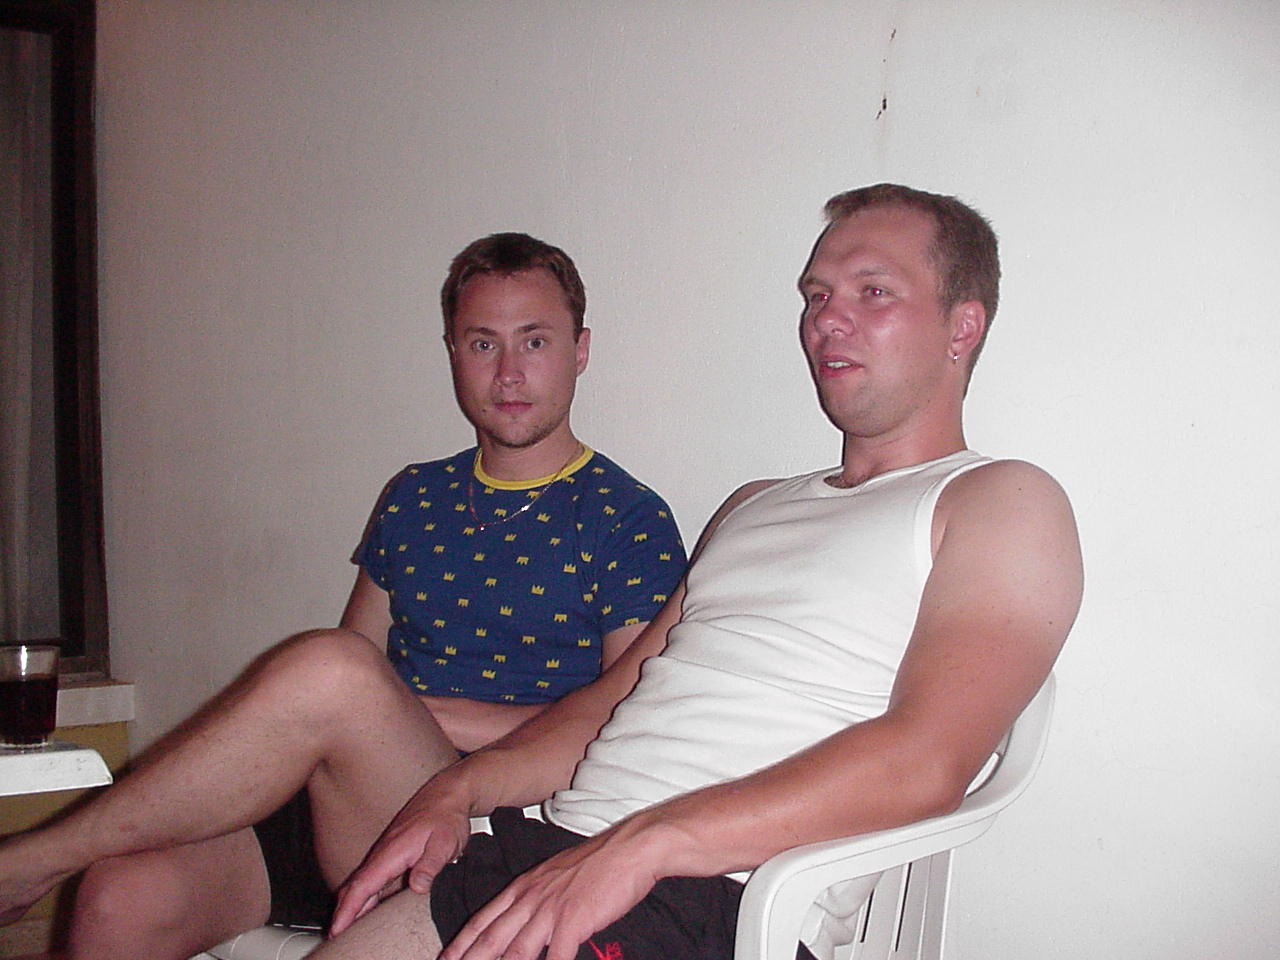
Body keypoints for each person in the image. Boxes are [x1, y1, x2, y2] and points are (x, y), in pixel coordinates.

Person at [311, 184, 1085, 960]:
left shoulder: (999, 500)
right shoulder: (751, 506)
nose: (826, 319)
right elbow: (607, 708)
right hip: (549, 854)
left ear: (962, 327)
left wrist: (644, 846)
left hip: (717, 903)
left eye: (872, 292)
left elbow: (927, 762)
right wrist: (459, 789)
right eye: (816, 295)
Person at [0, 233, 686, 960]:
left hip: (494, 819)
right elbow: (348, 678)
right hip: (361, 800)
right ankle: (66, 860)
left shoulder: (626, 517)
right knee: (118, 899)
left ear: (580, 351)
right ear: (452, 353)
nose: (509, 372)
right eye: (483, 344)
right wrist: (372, 713)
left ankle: (34, 859)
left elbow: (620, 728)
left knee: (333, 673)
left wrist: (409, 711)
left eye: (535, 341)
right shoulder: (415, 495)